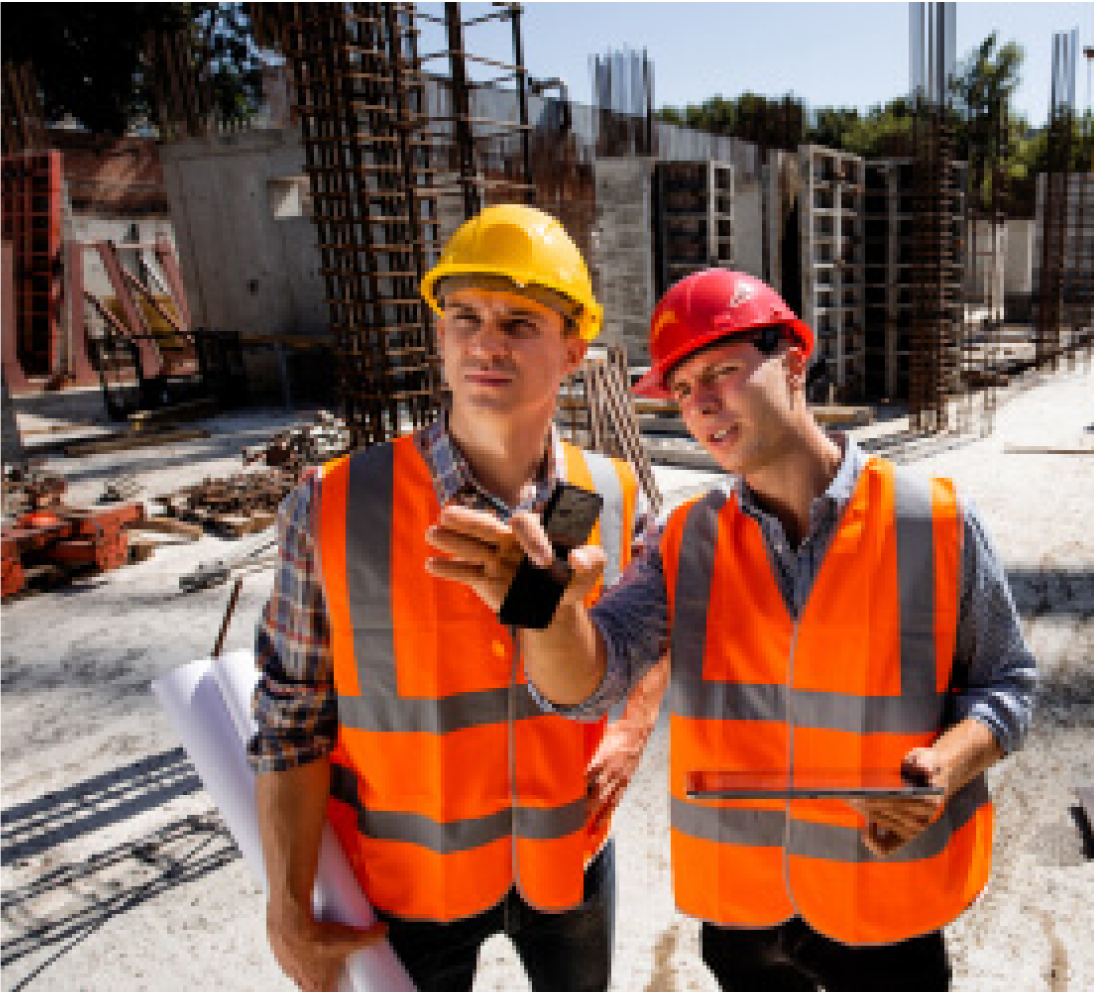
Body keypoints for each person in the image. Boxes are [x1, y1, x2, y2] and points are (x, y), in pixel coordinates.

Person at [429, 267, 1036, 991]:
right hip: (743, 920)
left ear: (796, 364)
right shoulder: (686, 540)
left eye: (722, 372)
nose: (703, 405)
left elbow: (1009, 684)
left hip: (881, 911)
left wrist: (945, 766)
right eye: (682, 390)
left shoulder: (931, 522)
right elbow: (588, 687)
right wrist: (549, 619)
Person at [249, 204, 668, 992]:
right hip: (409, 888)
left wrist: (632, 731)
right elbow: (291, 716)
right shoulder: (337, 506)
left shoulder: (604, 492)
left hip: (565, 859)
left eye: (519, 321)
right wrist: (287, 902)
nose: (486, 341)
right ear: (439, 337)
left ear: (574, 348)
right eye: (465, 317)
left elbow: (654, 631)